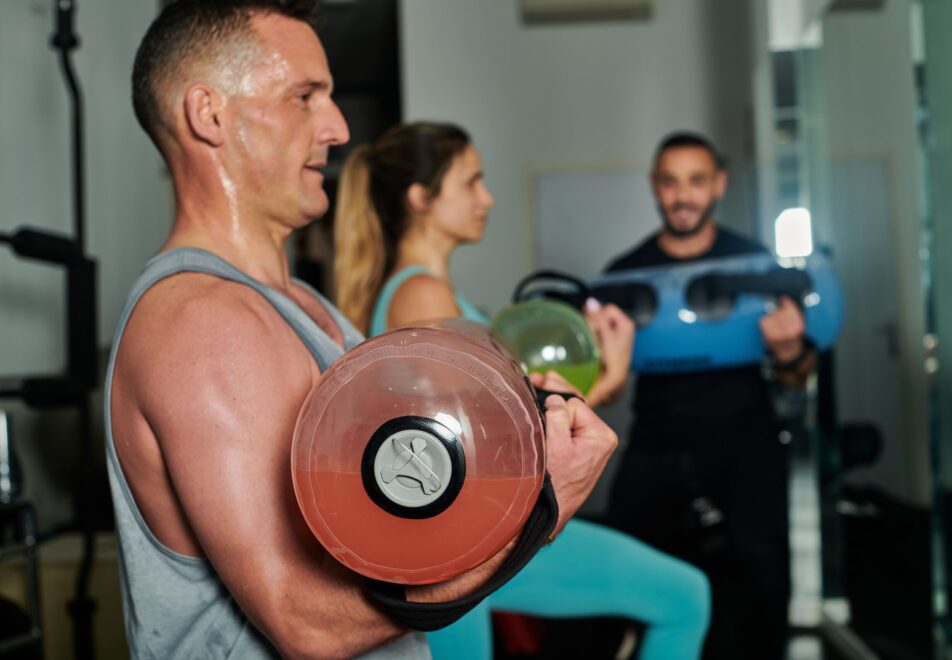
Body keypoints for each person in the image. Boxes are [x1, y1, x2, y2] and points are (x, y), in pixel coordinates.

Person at [106, 3, 618, 658]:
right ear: (209, 114)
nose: (339, 127)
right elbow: (308, 624)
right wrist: (543, 506)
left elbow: (397, 521)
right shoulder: (204, 321)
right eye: (304, 96)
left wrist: (524, 441)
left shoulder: (301, 304)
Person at [333, 121, 711, 660]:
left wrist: (592, 384)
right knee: (683, 597)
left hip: (480, 531)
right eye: (472, 181)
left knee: (682, 595)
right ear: (421, 198)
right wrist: (608, 380)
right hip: (462, 539)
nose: (487, 198)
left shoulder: (431, 292)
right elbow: (477, 446)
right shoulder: (421, 293)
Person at [603, 132, 815, 660]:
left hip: (746, 439)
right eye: (670, 182)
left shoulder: (755, 265)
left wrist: (790, 352)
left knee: (761, 580)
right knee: (632, 572)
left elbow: (797, 377)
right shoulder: (624, 275)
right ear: (654, 186)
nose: (683, 196)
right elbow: (607, 390)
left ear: (719, 184)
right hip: (659, 441)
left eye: (696, 180)